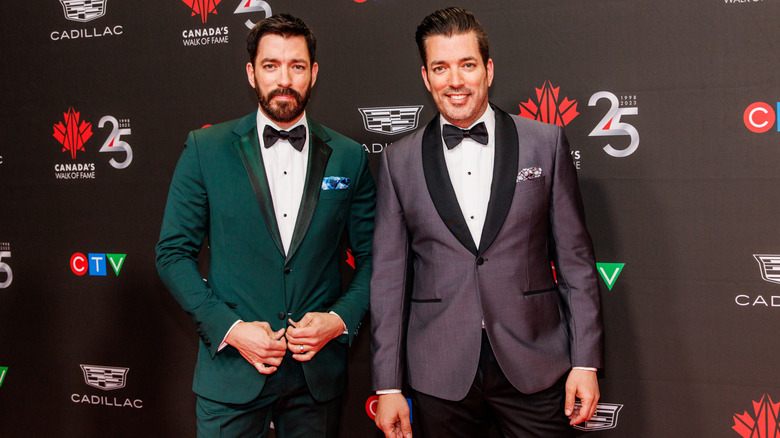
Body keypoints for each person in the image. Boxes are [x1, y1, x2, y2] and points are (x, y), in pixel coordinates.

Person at [370, 7, 603, 438]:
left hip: (534, 361)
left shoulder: (544, 143)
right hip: (439, 370)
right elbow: (387, 280)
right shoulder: (397, 162)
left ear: (488, 69)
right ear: (426, 76)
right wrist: (387, 384)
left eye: (467, 65)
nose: (455, 80)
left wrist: (585, 361)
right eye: (441, 67)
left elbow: (575, 260)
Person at [156, 13, 375, 438]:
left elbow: (374, 259)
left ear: (313, 73)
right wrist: (232, 330)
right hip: (232, 373)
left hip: (317, 379)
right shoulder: (206, 149)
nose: (284, 79)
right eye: (271, 65)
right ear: (251, 73)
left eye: (296, 65)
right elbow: (172, 255)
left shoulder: (349, 156)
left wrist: (337, 320)